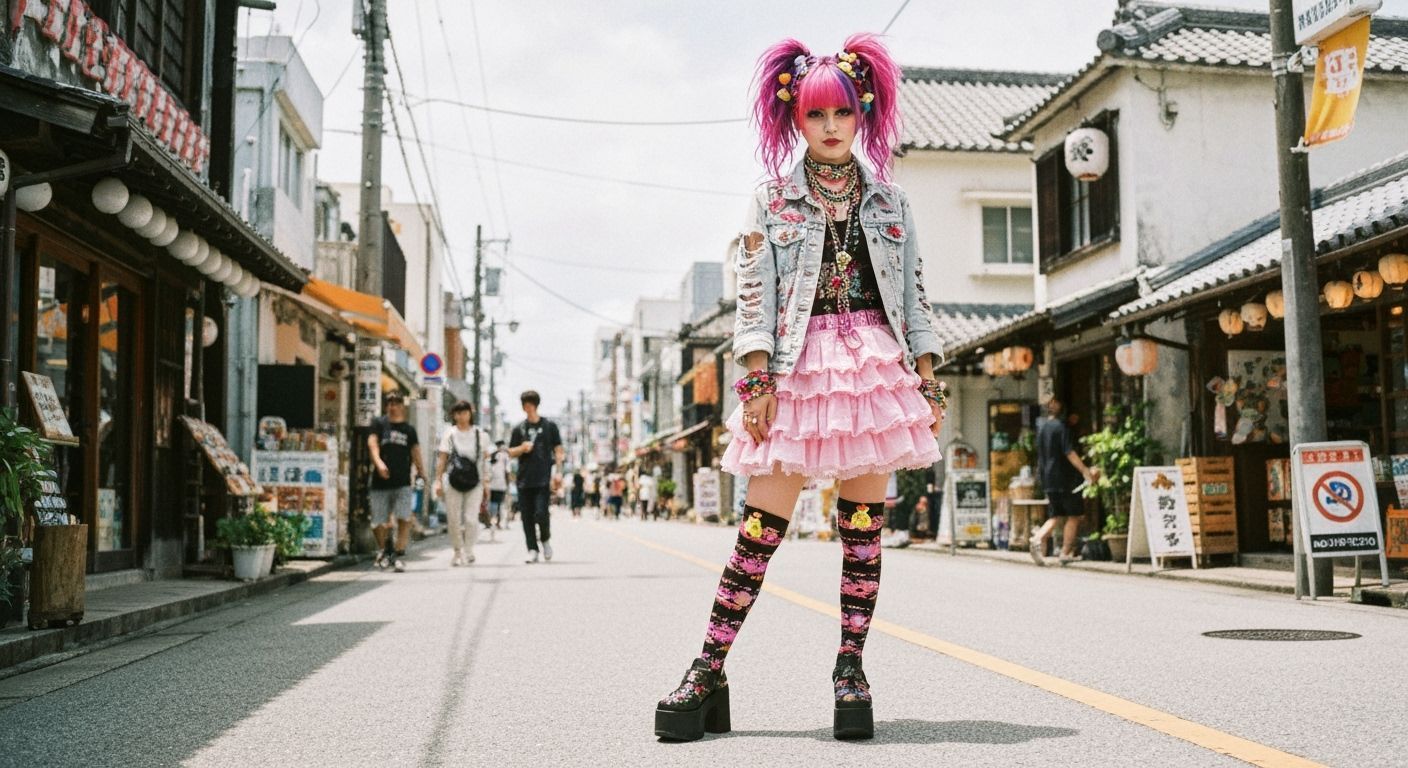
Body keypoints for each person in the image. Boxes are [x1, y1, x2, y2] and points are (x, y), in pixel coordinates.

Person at [655, 35, 946, 743]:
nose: (830, 126)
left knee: (863, 533)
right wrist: (757, 378)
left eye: (842, 112)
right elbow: (755, 295)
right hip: (797, 369)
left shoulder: (892, 200)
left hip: (875, 365)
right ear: (794, 119)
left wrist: (929, 375)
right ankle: (708, 670)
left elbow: (913, 295)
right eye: (816, 114)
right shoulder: (771, 202)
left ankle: (851, 667)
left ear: (862, 113)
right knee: (758, 532)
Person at [1031, 398, 1098, 566]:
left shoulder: (1042, 428)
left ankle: (1038, 538)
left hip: (1048, 477)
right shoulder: (1062, 428)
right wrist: (1085, 470)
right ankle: (1065, 552)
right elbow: (1069, 452)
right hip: (1065, 478)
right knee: (1074, 515)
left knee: (1055, 515)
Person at [368, 391, 427, 573]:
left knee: (404, 517)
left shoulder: (409, 430)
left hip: (402, 482)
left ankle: (399, 552)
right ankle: (384, 550)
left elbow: (415, 452)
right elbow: (372, 444)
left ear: (402, 405)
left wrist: (422, 472)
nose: (393, 406)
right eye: (390, 403)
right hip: (380, 481)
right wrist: (378, 463)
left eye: (396, 403)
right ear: (386, 406)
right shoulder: (379, 424)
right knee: (378, 522)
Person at [433, 400, 491, 566]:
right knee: (453, 518)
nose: (461, 416)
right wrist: (437, 481)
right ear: (454, 415)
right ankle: (457, 551)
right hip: (453, 480)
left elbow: (485, 459)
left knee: (471, 518)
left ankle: (469, 549)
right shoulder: (449, 434)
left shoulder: (481, 434)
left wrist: (486, 482)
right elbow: (442, 459)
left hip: (475, 481)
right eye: (458, 413)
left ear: (470, 413)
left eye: (464, 412)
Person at [509, 390, 563, 563]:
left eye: (530, 404)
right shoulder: (519, 428)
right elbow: (510, 452)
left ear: (536, 405)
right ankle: (532, 549)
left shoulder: (549, 426)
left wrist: (559, 472)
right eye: (524, 405)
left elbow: (558, 450)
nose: (527, 408)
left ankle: (545, 539)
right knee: (526, 516)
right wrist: (522, 448)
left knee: (541, 513)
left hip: (543, 478)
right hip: (524, 479)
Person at [487, 439, 512, 531]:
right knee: (501, 503)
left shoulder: (492, 455)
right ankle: (499, 522)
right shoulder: (505, 456)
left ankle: (493, 520)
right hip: (502, 483)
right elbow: (508, 471)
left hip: (492, 483)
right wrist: (508, 483)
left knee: (493, 502)